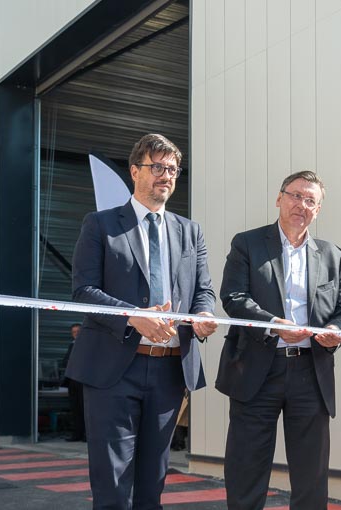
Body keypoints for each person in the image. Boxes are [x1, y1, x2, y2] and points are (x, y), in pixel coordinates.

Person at [65, 134, 217, 509]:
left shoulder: (190, 231)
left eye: (173, 169)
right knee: (113, 484)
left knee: (153, 483)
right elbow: (83, 290)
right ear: (135, 171)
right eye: (157, 167)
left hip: (169, 371)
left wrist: (203, 315)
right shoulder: (100, 225)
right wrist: (133, 317)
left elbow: (203, 290)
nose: (166, 175)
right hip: (114, 370)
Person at [217, 170, 341, 509]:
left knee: (311, 476)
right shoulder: (247, 243)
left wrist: (336, 333)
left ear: (318, 209)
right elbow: (234, 297)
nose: (302, 204)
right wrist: (274, 324)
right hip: (256, 370)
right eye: (295, 196)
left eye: (311, 200)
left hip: (311, 373)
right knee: (246, 469)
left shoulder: (333, 256)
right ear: (279, 199)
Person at [61, 323, 84, 442]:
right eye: (74, 332)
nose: (76, 334)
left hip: (83, 381)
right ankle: (77, 434)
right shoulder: (72, 345)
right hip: (73, 381)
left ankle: (85, 435)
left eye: (78, 331)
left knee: (84, 408)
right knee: (75, 409)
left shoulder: (87, 344)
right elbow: (65, 362)